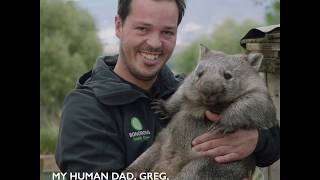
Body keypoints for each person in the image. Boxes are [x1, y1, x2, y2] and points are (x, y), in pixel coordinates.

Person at [55, 0, 280, 178]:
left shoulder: (182, 87)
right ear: (118, 26)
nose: (154, 43)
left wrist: (255, 140)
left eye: (167, 32)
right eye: (143, 29)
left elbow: (273, 139)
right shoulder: (86, 109)